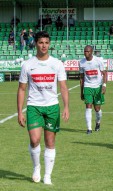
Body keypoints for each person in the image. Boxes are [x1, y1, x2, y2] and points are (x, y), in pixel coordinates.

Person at [17, 31, 69, 185]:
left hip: (52, 107)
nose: (44, 45)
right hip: (34, 107)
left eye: (46, 42)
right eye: (41, 42)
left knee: (50, 142)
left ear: (49, 44)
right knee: (34, 140)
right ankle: (36, 167)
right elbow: (21, 89)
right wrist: (20, 112)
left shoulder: (57, 64)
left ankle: (47, 176)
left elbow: (64, 87)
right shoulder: (28, 65)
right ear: (36, 43)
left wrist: (66, 107)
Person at [79, 45, 107, 134]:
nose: (85, 53)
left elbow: (104, 74)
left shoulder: (98, 61)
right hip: (88, 87)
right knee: (88, 106)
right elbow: (81, 77)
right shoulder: (81, 63)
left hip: (98, 86)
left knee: (97, 109)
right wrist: (81, 91)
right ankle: (89, 129)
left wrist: (104, 85)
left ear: (91, 52)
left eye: (87, 51)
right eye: (84, 51)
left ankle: (98, 123)